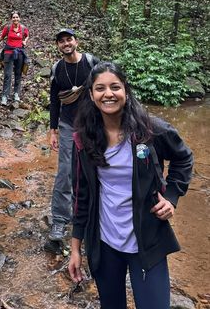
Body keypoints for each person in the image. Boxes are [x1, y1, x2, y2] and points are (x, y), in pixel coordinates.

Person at [68, 61, 193, 309]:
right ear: (92, 95)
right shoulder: (84, 139)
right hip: (105, 243)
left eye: (115, 87)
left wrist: (171, 197)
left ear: (125, 90)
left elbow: (184, 157)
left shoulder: (150, 130)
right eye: (100, 88)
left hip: (147, 238)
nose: (108, 94)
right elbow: (81, 195)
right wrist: (75, 249)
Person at [48, 28, 99, 242]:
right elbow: (54, 101)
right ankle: (59, 220)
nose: (66, 44)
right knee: (65, 172)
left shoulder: (91, 62)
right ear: (58, 46)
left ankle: (94, 216)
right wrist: (53, 131)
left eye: (69, 39)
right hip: (68, 125)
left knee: (94, 169)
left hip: (92, 125)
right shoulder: (57, 69)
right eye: (61, 41)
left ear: (76, 41)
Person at [0, 11, 29, 105]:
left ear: (19, 18)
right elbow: (1, 37)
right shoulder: (8, 28)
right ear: (11, 19)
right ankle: (5, 95)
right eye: (13, 17)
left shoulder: (23, 28)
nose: (15, 19)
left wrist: (25, 41)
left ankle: (16, 93)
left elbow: (27, 36)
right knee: (7, 75)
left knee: (18, 74)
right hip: (8, 53)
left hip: (20, 53)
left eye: (17, 17)